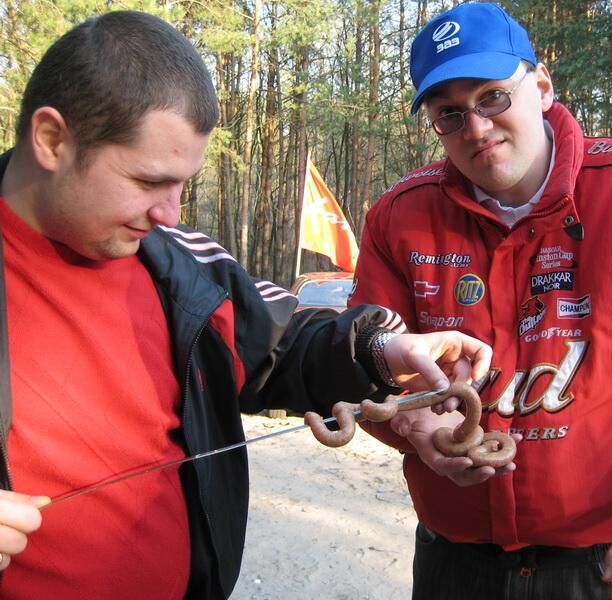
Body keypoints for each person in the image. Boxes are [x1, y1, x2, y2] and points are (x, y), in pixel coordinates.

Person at [0, 10, 493, 599]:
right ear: (52, 140)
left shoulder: (176, 262)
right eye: (148, 181)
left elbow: (279, 344)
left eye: (183, 184)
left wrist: (383, 349)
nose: (170, 213)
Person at [348, 3, 612, 599]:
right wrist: (415, 425)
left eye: (493, 97)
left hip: (610, 559)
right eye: (450, 113)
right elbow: (369, 365)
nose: (477, 128)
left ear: (543, 87)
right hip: (454, 560)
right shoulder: (401, 217)